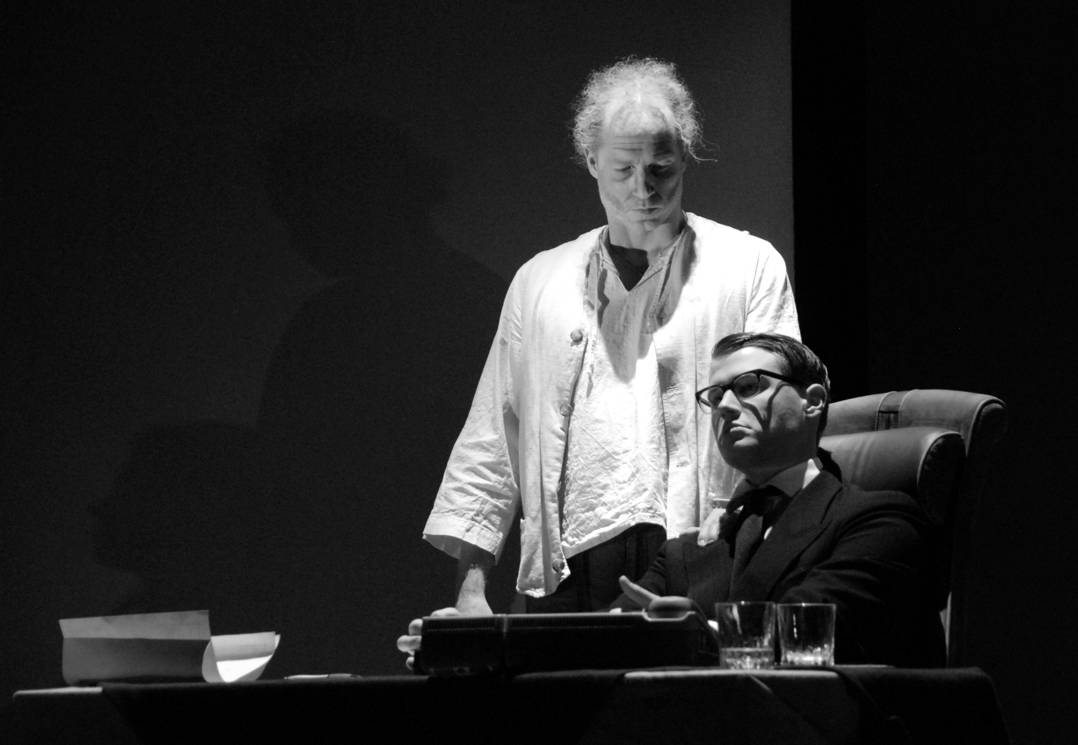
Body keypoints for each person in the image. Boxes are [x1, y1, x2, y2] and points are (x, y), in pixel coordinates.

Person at [418, 56, 800, 626]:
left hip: (703, 552)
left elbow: (784, 422)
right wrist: (471, 591)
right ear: (592, 160)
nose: (643, 188)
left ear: (684, 157)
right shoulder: (540, 282)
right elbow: (494, 438)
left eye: (660, 168)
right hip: (568, 567)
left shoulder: (746, 266)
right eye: (624, 169)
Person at [610, 332, 946, 667]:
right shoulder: (682, 552)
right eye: (715, 395)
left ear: (812, 401)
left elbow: (807, 634)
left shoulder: (882, 521)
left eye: (748, 387)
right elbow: (606, 636)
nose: (724, 406)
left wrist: (698, 634)